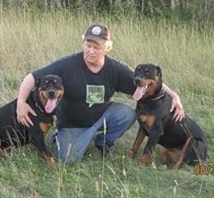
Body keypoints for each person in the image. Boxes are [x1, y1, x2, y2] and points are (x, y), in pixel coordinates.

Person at [16, 24, 184, 164]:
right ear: (83, 44)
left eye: (97, 47)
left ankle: (104, 141)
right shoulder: (67, 65)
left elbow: (145, 80)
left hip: (101, 117)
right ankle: (63, 138)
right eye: (88, 46)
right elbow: (31, 77)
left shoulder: (115, 68)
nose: (91, 51)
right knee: (69, 159)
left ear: (107, 48)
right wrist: (21, 103)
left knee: (127, 114)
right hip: (72, 124)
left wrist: (174, 95)